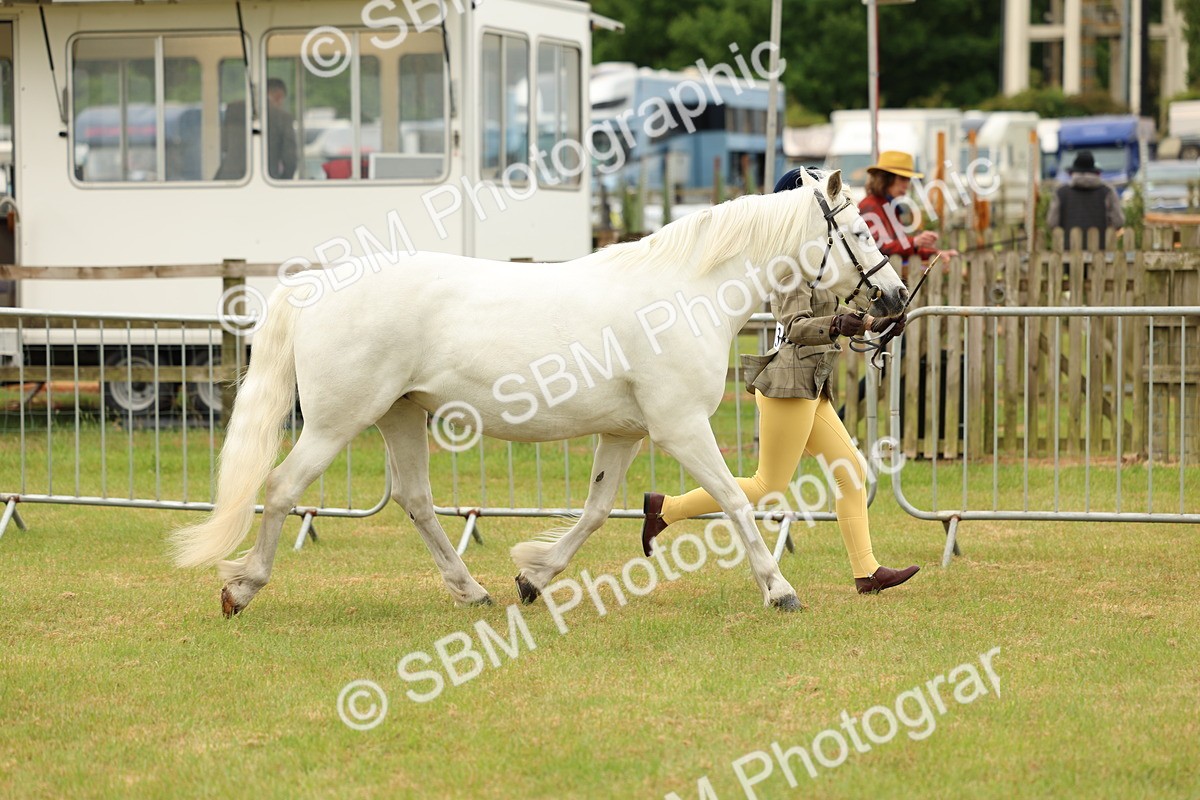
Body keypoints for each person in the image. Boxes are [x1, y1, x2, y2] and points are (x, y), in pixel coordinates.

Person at [640, 169, 921, 596]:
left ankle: (867, 572)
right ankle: (667, 509)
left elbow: (851, 308)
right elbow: (796, 326)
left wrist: (880, 322)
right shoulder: (789, 268)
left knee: (852, 473)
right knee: (767, 484)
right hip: (789, 383)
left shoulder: (821, 260)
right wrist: (842, 324)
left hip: (812, 384)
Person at [857, 150, 958, 269]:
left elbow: (903, 247)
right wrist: (915, 241)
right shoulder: (870, 206)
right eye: (902, 178)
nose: (907, 184)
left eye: (908, 179)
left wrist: (936, 254)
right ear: (885, 179)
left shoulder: (889, 206)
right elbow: (881, 247)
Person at [1046, 151, 1124, 244]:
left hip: (1068, 250)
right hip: (1101, 250)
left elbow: (1052, 222)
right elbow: (1118, 221)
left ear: (1072, 172)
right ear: (1095, 172)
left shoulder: (1060, 192)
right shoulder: (1107, 191)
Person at [265, 78, 299, 180]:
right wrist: (285, 181)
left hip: (228, 178)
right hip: (270, 177)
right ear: (279, 96)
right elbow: (290, 158)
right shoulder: (283, 117)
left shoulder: (236, 112)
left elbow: (224, 145)